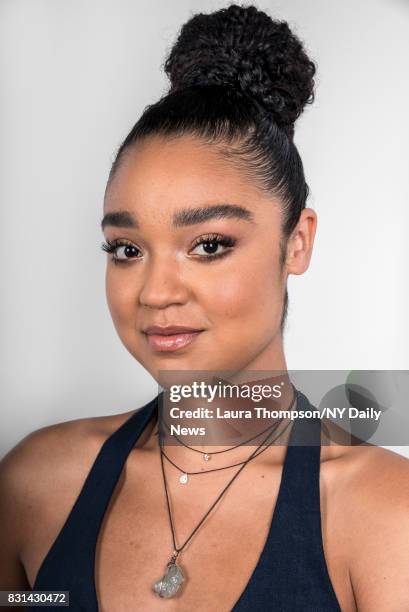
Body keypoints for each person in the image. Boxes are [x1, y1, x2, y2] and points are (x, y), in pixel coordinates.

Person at [1, 4, 409, 611]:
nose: (156, 292)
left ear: (297, 242)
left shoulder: (382, 513)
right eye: (127, 248)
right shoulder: (36, 484)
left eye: (209, 244)